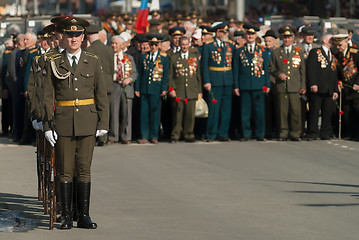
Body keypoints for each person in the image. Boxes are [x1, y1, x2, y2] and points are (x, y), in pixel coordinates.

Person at [42, 17, 109, 229]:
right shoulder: (54, 61)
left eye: (77, 35)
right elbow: (46, 97)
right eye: (70, 35)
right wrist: (47, 125)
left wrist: (103, 121)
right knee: (65, 170)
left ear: (83, 37)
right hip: (62, 122)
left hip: (88, 121)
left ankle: (84, 215)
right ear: (65, 37)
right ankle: (67, 216)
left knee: (84, 169)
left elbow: (101, 94)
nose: (73, 39)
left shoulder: (93, 60)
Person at [233, 24, 270, 141]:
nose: (250, 36)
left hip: (259, 85)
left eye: (252, 34)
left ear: (256, 36)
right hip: (244, 85)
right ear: (245, 35)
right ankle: (246, 133)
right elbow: (236, 69)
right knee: (245, 112)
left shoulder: (262, 50)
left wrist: (267, 84)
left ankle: (260, 133)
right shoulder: (239, 51)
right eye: (248, 34)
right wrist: (236, 85)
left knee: (260, 111)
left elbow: (266, 68)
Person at [269, 26, 306, 141]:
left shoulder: (298, 52)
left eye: (289, 37)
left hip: (294, 86)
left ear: (293, 38)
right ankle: (283, 133)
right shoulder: (276, 52)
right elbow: (271, 68)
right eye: (284, 37)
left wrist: (303, 86)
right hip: (281, 86)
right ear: (281, 38)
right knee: (282, 112)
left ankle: (296, 133)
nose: (287, 40)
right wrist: (278, 74)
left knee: (296, 111)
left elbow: (302, 71)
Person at [201, 22, 235, 141]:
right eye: (223, 32)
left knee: (226, 109)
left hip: (227, 80)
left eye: (226, 32)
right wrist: (206, 81)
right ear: (217, 33)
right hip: (214, 80)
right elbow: (204, 65)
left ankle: (223, 133)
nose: (225, 34)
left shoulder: (230, 45)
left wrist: (234, 83)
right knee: (214, 109)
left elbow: (234, 65)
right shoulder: (209, 45)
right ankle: (211, 133)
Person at [135, 35, 169, 144]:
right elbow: (139, 74)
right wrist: (137, 88)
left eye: (155, 45)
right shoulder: (144, 57)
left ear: (159, 45)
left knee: (155, 113)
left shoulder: (163, 57)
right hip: (145, 88)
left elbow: (165, 74)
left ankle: (154, 135)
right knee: (144, 113)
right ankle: (144, 135)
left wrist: (164, 88)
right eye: (151, 45)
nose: (153, 47)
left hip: (156, 88)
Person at [168, 36, 202, 143]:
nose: (184, 47)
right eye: (183, 44)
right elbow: (170, 75)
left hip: (192, 90)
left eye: (186, 44)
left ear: (189, 44)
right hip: (179, 90)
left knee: (190, 114)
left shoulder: (194, 56)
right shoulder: (174, 57)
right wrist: (172, 88)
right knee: (177, 115)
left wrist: (199, 91)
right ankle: (175, 135)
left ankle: (189, 134)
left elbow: (198, 75)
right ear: (179, 45)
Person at [306, 34, 339, 140]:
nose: (332, 41)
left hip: (329, 89)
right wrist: (313, 83)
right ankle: (312, 132)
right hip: (318, 87)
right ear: (324, 40)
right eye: (331, 39)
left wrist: (335, 89)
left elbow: (334, 74)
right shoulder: (315, 52)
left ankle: (325, 132)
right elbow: (311, 69)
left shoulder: (333, 55)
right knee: (314, 111)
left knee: (327, 112)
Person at [86, 24, 115, 146]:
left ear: (88, 36)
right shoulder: (109, 49)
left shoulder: (88, 51)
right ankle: (104, 136)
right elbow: (111, 68)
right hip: (108, 83)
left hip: (94, 85)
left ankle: (94, 136)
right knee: (105, 110)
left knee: (94, 111)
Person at [108, 36, 138, 144]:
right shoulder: (109, 57)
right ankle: (113, 136)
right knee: (113, 112)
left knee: (127, 113)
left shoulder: (129, 57)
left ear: (121, 45)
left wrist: (129, 79)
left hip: (126, 87)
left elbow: (134, 73)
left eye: (116, 43)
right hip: (114, 86)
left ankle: (126, 136)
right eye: (112, 43)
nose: (114, 45)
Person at [333, 29, 359, 140]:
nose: (339, 47)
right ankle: (348, 132)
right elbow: (336, 72)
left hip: (355, 88)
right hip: (344, 88)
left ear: (346, 41)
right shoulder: (337, 55)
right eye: (337, 45)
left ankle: (356, 133)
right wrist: (338, 83)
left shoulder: (355, 52)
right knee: (346, 111)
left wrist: (358, 83)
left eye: (340, 45)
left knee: (356, 110)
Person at [262, 29, 278, 139]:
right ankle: (266, 131)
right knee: (266, 110)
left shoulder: (277, 52)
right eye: (266, 41)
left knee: (276, 108)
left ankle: (276, 130)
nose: (267, 43)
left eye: (269, 41)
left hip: (275, 82)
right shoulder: (262, 52)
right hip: (264, 82)